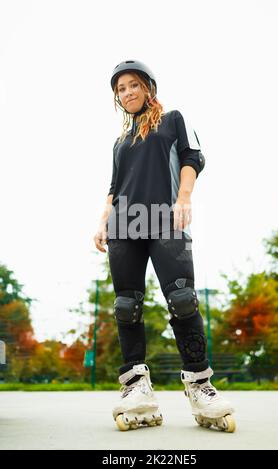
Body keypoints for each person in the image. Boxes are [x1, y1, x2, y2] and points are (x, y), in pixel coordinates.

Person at [94, 60, 235, 432]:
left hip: (163, 216)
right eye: (120, 89)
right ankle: (136, 387)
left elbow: (192, 157)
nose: (127, 93)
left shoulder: (173, 119)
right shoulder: (119, 142)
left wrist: (184, 197)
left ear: (148, 87)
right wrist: (102, 222)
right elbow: (114, 187)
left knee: (183, 299)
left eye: (133, 85)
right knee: (127, 305)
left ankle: (200, 384)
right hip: (124, 222)